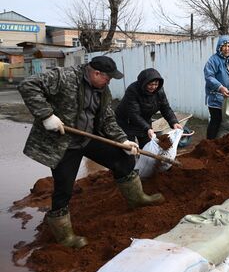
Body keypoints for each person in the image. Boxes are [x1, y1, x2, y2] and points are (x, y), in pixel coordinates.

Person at [18, 56, 165, 248]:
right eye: (108, 77)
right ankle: (65, 236)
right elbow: (28, 85)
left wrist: (123, 140)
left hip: (88, 137)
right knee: (64, 188)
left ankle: (137, 198)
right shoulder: (65, 77)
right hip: (64, 143)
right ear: (96, 73)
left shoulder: (103, 89)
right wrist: (47, 115)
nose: (109, 81)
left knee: (123, 158)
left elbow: (107, 119)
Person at [116, 68, 182, 148]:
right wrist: (147, 128)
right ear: (144, 83)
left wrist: (174, 122)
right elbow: (134, 114)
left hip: (144, 120)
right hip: (126, 121)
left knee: (147, 146)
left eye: (156, 84)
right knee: (129, 149)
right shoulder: (133, 90)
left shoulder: (159, 91)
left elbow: (165, 108)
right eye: (150, 84)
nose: (153, 87)